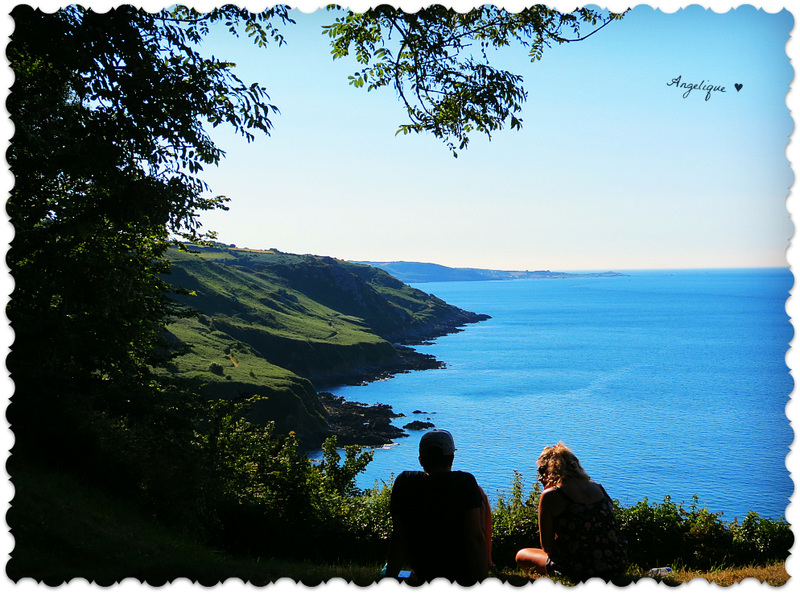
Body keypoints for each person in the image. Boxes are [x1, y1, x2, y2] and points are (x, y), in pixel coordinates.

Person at [384, 429, 493, 585]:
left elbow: (399, 537)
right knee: (480, 496)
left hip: (425, 570)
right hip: (462, 574)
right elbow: (474, 537)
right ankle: (489, 565)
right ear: (451, 458)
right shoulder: (464, 482)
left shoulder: (405, 482)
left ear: (421, 460)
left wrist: (389, 579)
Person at [515, 442, 627, 582]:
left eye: (541, 472)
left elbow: (548, 547)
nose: (539, 478)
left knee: (522, 555)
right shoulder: (599, 488)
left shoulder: (552, 495)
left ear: (549, 471)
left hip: (579, 570)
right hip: (616, 565)